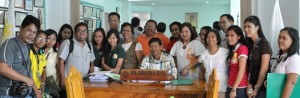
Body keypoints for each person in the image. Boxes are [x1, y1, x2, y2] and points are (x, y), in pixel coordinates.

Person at [0, 15, 42, 98]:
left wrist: (37, 92)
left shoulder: (27, 46)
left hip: (24, 93)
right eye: (29, 30)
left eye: (34, 32)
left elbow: (27, 72)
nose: (31, 35)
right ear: (21, 28)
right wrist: (26, 79)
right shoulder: (10, 44)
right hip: (9, 94)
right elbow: (2, 68)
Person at [58, 22, 95, 97]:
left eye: (84, 31)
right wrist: (62, 80)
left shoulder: (89, 45)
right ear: (75, 33)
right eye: (79, 30)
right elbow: (60, 62)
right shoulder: (68, 43)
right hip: (70, 82)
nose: (82, 33)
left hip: (84, 82)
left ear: (87, 33)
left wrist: (92, 79)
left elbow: (91, 63)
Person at [244, 16, 271, 98]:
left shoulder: (264, 44)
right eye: (245, 27)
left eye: (249, 27)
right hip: (250, 84)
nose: (246, 29)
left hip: (262, 85)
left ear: (257, 27)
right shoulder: (248, 44)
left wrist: (256, 88)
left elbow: (264, 69)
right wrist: (248, 84)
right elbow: (248, 67)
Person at [270, 27, 300, 98]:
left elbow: (291, 83)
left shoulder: (294, 58)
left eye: (284, 38)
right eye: (279, 37)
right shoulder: (280, 57)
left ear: (292, 41)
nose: (280, 40)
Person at [198, 29, 228, 98]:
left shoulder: (225, 52)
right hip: (209, 90)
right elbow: (201, 73)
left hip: (222, 89)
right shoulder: (203, 55)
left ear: (217, 39)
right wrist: (201, 89)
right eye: (208, 37)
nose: (210, 39)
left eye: (213, 36)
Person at [225, 25, 248, 98]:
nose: (229, 38)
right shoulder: (233, 49)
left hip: (239, 87)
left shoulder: (242, 48)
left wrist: (234, 89)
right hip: (230, 84)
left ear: (239, 37)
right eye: (227, 35)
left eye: (232, 35)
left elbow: (242, 70)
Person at [44, 29, 59, 97]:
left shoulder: (56, 53)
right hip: (38, 80)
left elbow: (58, 70)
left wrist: (57, 83)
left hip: (51, 81)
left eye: (54, 39)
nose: (51, 41)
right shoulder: (38, 51)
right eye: (48, 38)